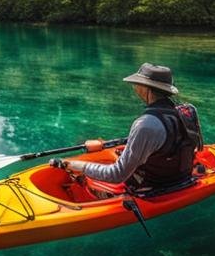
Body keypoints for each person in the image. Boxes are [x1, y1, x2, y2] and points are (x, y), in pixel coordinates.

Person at [51, 63, 199, 190]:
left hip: (153, 186)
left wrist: (74, 165)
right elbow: (189, 146)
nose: (134, 88)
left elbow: (117, 175)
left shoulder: (145, 124)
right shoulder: (186, 112)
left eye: (137, 84)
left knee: (85, 175)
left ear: (145, 88)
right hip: (180, 177)